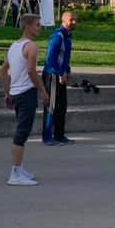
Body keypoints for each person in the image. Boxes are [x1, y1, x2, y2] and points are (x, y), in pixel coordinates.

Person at [0, 14, 50, 186]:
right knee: (21, 134)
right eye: (37, 25)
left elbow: (2, 70)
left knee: (22, 132)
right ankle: (15, 174)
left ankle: (19, 168)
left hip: (16, 94)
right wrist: (42, 90)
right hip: (26, 93)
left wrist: (7, 93)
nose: (40, 28)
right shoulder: (31, 46)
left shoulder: (14, 46)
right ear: (27, 26)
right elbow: (31, 71)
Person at [43, 11, 77, 145]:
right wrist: (59, 73)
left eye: (75, 20)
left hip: (61, 75)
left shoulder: (68, 37)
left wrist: (67, 70)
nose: (74, 22)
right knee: (51, 106)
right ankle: (47, 137)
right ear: (63, 21)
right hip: (52, 75)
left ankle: (59, 135)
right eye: (71, 20)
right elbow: (50, 58)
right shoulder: (58, 36)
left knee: (62, 106)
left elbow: (65, 57)